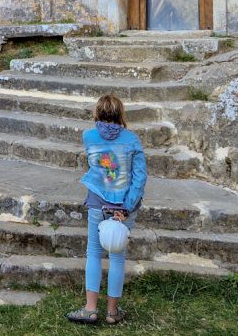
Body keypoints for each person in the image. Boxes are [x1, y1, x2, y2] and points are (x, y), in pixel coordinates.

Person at [67, 94, 147, 326]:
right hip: (124, 207)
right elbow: (140, 176)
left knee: (93, 252)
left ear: (97, 113)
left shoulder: (88, 136)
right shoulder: (132, 139)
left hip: (97, 202)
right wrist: (128, 207)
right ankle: (112, 312)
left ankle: (90, 309)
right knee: (117, 257)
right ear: (120, 114)